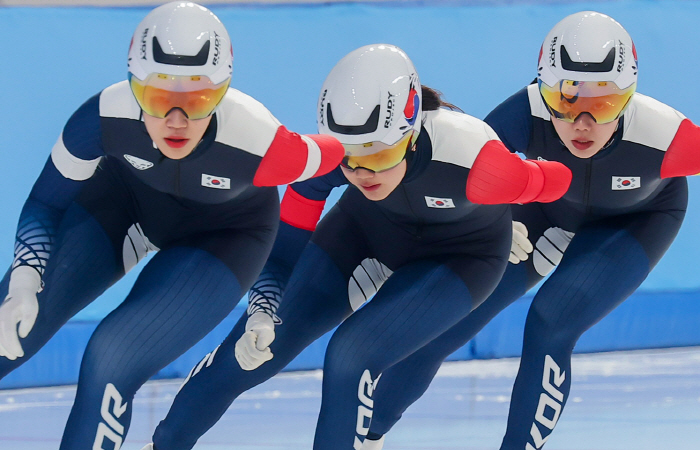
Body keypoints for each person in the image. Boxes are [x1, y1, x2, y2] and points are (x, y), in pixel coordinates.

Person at [140, 43, 572, 450]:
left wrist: (512, 200)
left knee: (353, 353)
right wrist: (262, 308)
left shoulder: (472, 153)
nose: (363, 170)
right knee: (244, 355)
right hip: (364, 236)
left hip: (462, 255)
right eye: (350, 157)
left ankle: (370, 436)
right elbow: (284, 249)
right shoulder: (325, 158)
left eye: (379, 156)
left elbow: (559, 179)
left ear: (412, 133)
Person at [0, 2, 343, 449]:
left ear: (222, 93)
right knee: (8, 326)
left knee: (112, 356)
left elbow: (342, 150)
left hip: (223, 237)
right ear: (133, 87)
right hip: (124, 204)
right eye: (158, 98)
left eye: (198, 100)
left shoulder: (264, 142)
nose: (176, 121)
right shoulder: (103, 116)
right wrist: (24, 279)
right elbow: (46, 202)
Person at [352, 11, 700, 450]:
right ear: (542, 91)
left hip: (636, 222)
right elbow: (460, 175)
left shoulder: (666, 135)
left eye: (605, 103)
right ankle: (364, 438)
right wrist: (490, 219)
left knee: (550, 321)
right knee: (450, 320)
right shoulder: (522, 113)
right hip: (545, 212)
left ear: (629, 97)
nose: (583, 122)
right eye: (566, 100)